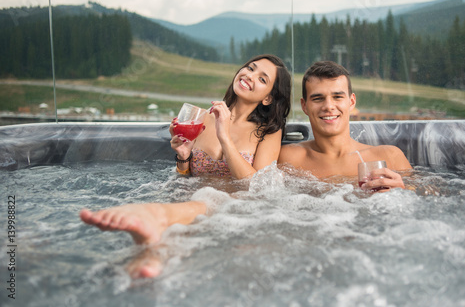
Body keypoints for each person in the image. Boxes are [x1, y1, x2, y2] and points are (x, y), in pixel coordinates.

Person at [80, 54, 291, 277]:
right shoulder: (201, 117)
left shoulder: (268, 132)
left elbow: (255, 185)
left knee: (197, 211)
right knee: (179, 227)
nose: (250, 75)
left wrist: (224, 136)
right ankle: (150, 257)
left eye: (262, 79)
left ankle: (155, 217)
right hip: (192, 198)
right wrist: (183, 156)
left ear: (268, 98)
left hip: (234, 209)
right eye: (250, 68)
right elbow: (185, 176)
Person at [278, 60, 412, 190]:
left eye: (337, 97)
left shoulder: (389, 157)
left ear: (351, 102)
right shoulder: (288, 158)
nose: (329, 106)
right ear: (304, 106)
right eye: (318, 99)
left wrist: (402, 191)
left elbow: (423, 199)